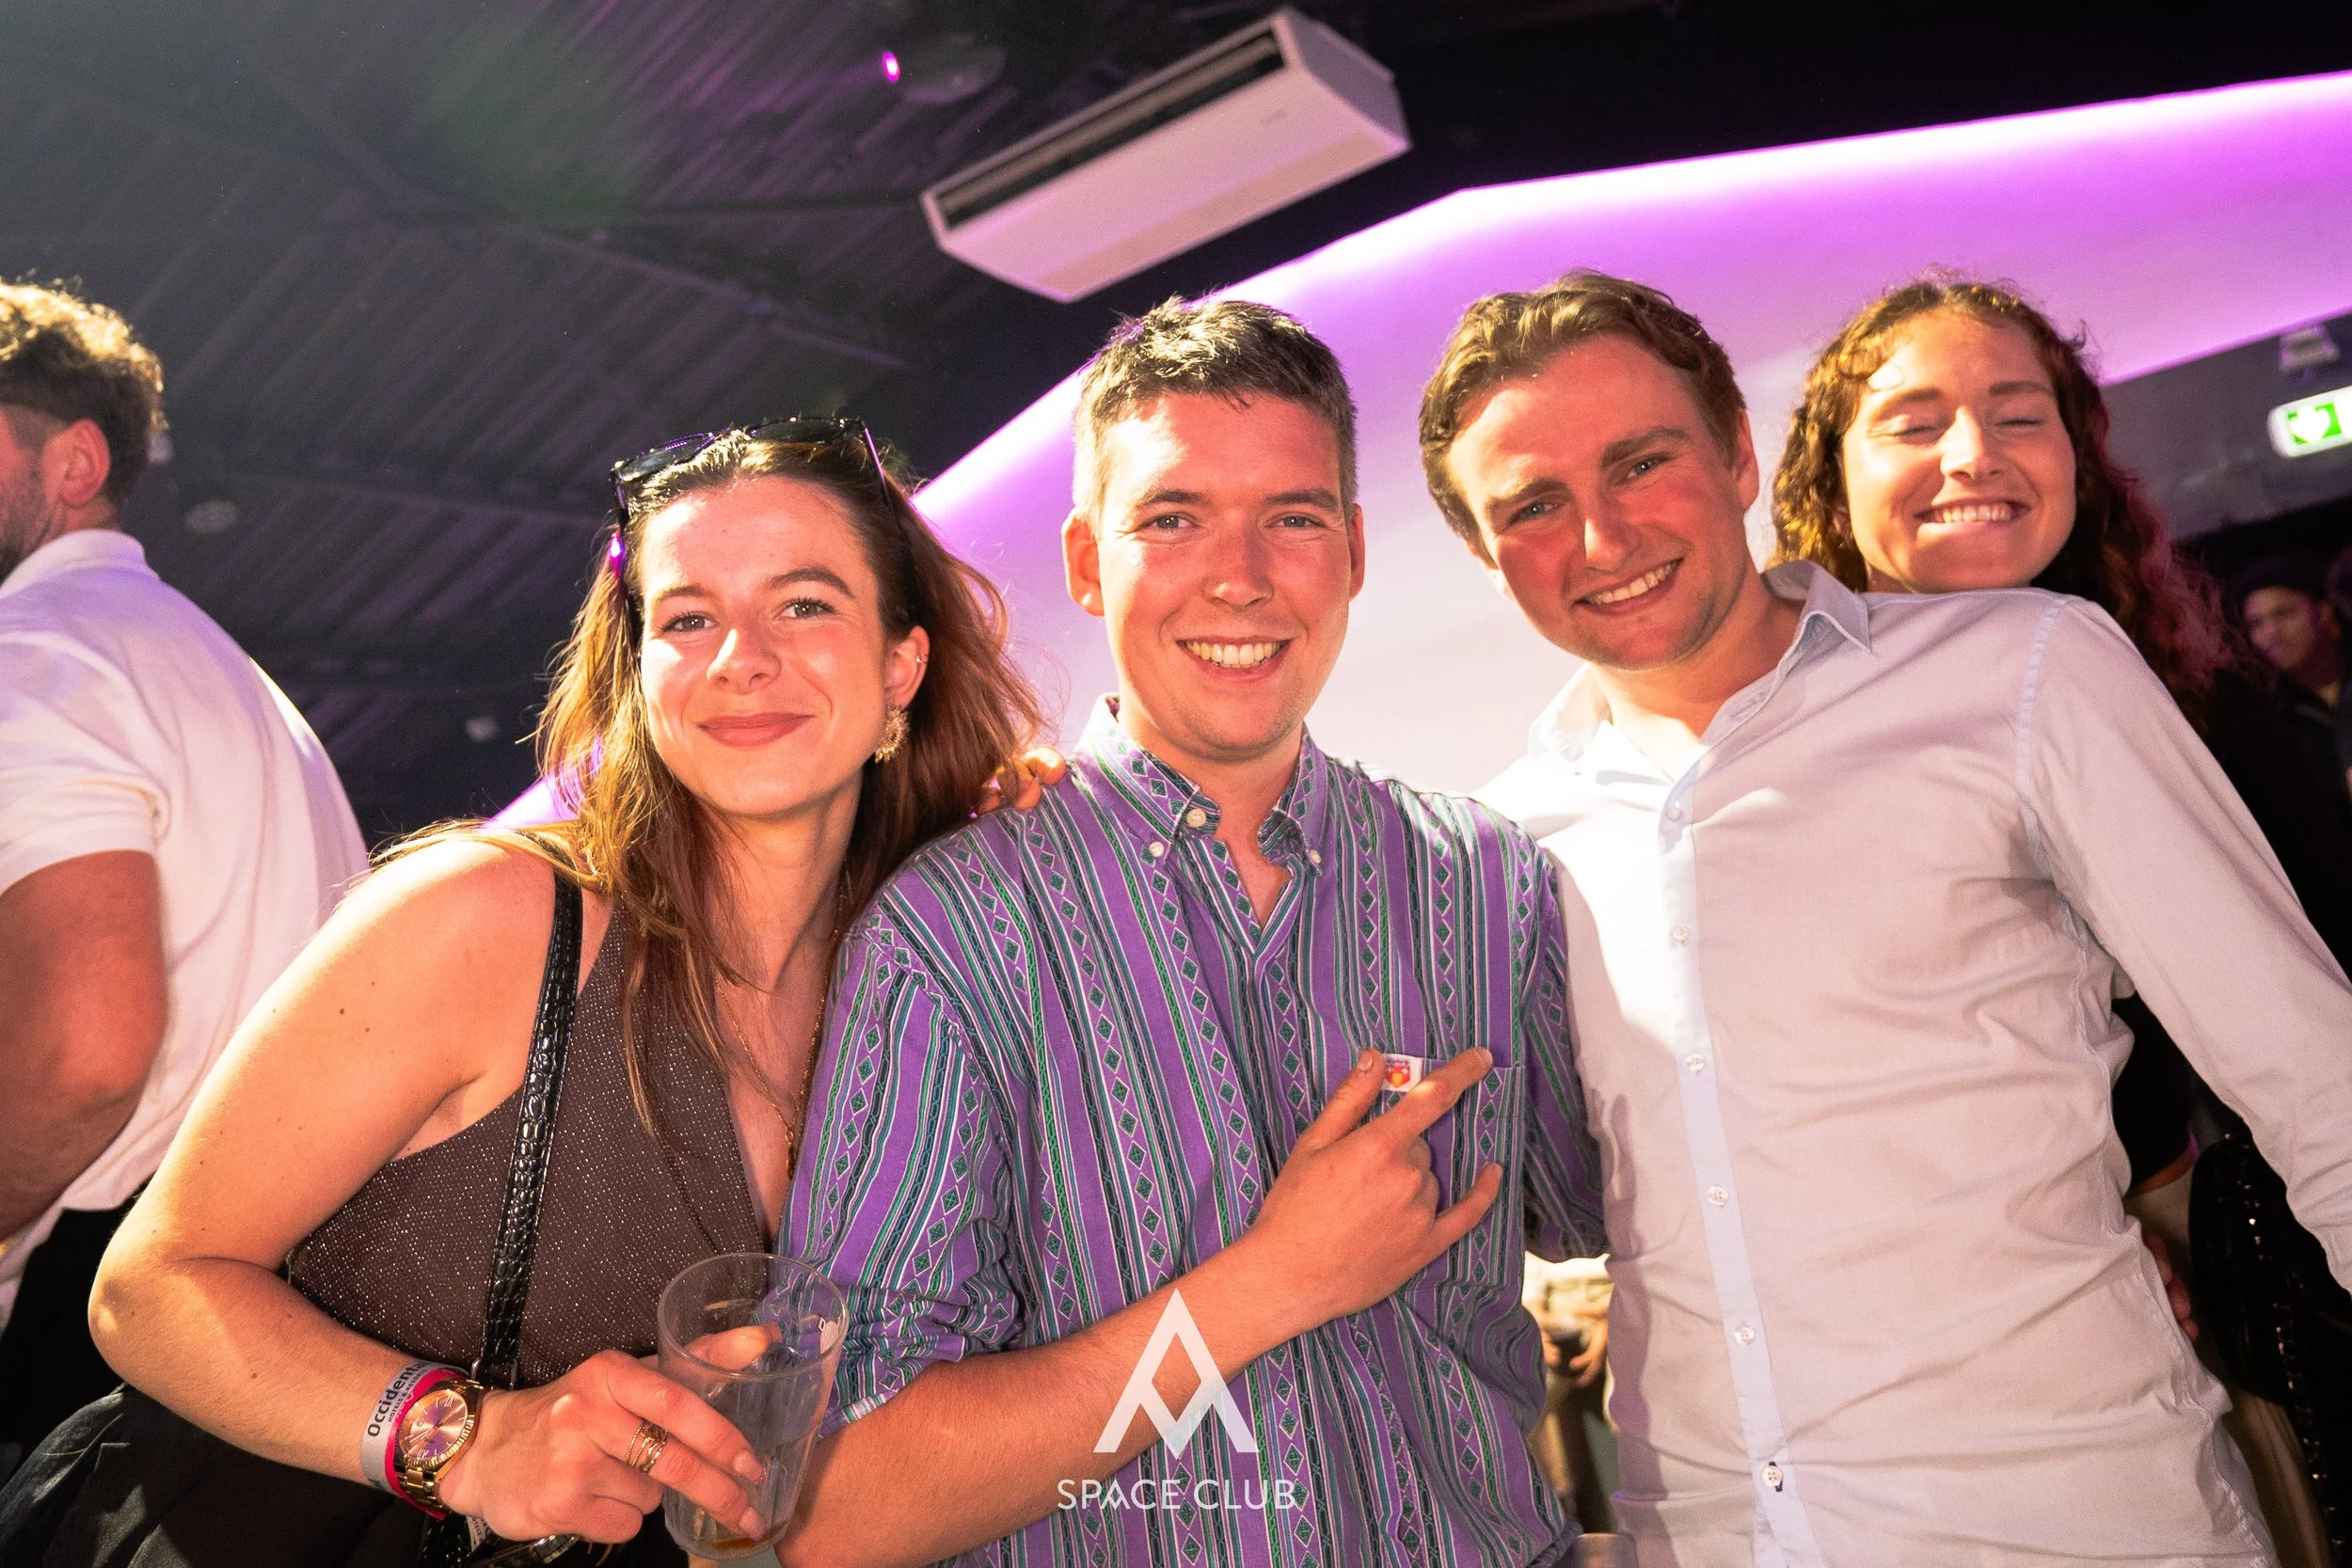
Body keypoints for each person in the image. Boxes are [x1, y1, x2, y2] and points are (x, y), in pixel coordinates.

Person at [1422, 269, 2352, 1564]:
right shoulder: (1498, 849)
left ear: (1736, 453)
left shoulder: (2022, 671)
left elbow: (2317, 1081)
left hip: (2078, 1523)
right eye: (1533, 503)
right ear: (1484, 553)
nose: (1602, 533)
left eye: (1641, 461)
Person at [0, 418, 1041, 1559]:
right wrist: (469, 1439)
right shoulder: (491, 916)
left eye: (804, 604)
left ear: (900, 665)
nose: (740, 656)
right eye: (687, 618)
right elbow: (149, 1286)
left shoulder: (901, 979)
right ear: (640, 673)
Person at [774, 298, 1607, 1567]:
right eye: (1172, 518)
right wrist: (1273, 1281)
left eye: (1294, 518)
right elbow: (845, 1501)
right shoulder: (950, 933)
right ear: (1086, 560)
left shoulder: (1490, 880)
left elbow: (1642, 1208)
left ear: (1354, 550)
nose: (1241, 575)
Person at [1775, 277, 2352, 1567]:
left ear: (2078, 459)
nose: (1971, 454)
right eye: (1913, 422)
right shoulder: (1771, 758)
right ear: (1830, 474)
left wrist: (2143, 1212)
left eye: (2016, 414)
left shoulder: (2203, 705)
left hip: (2237, 1275)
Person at [0, 282, 367, 1473]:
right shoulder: (212, 665)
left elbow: (87, 1050)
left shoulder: (35, 651)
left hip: (115, 1291)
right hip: (294, 1265)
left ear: (74, 461)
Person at [2232, 551, 2352, 789]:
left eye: (2284, 613)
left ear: (2324, 613)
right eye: (2256, 624)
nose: (2271, 633)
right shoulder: (2275, 720)